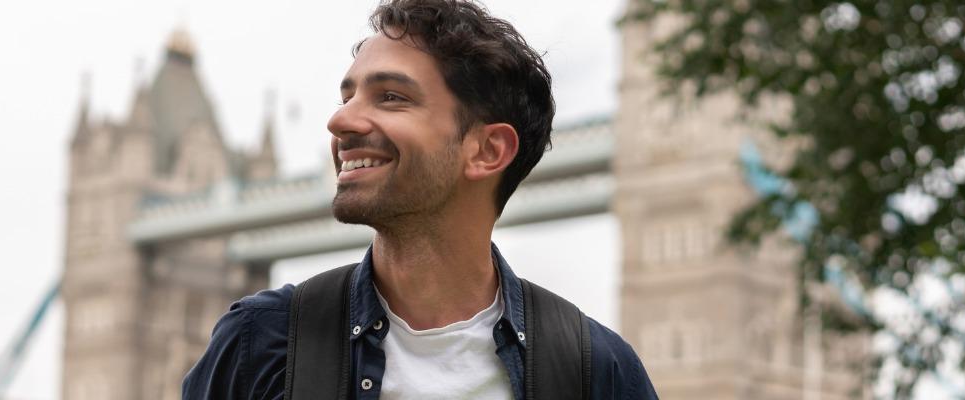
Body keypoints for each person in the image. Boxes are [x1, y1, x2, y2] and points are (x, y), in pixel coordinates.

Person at [183, 0, 658, 398]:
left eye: (390, 97)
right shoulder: (261, 342)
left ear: (487, 150)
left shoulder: (597, 370)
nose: (340, 121)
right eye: (346, 97)